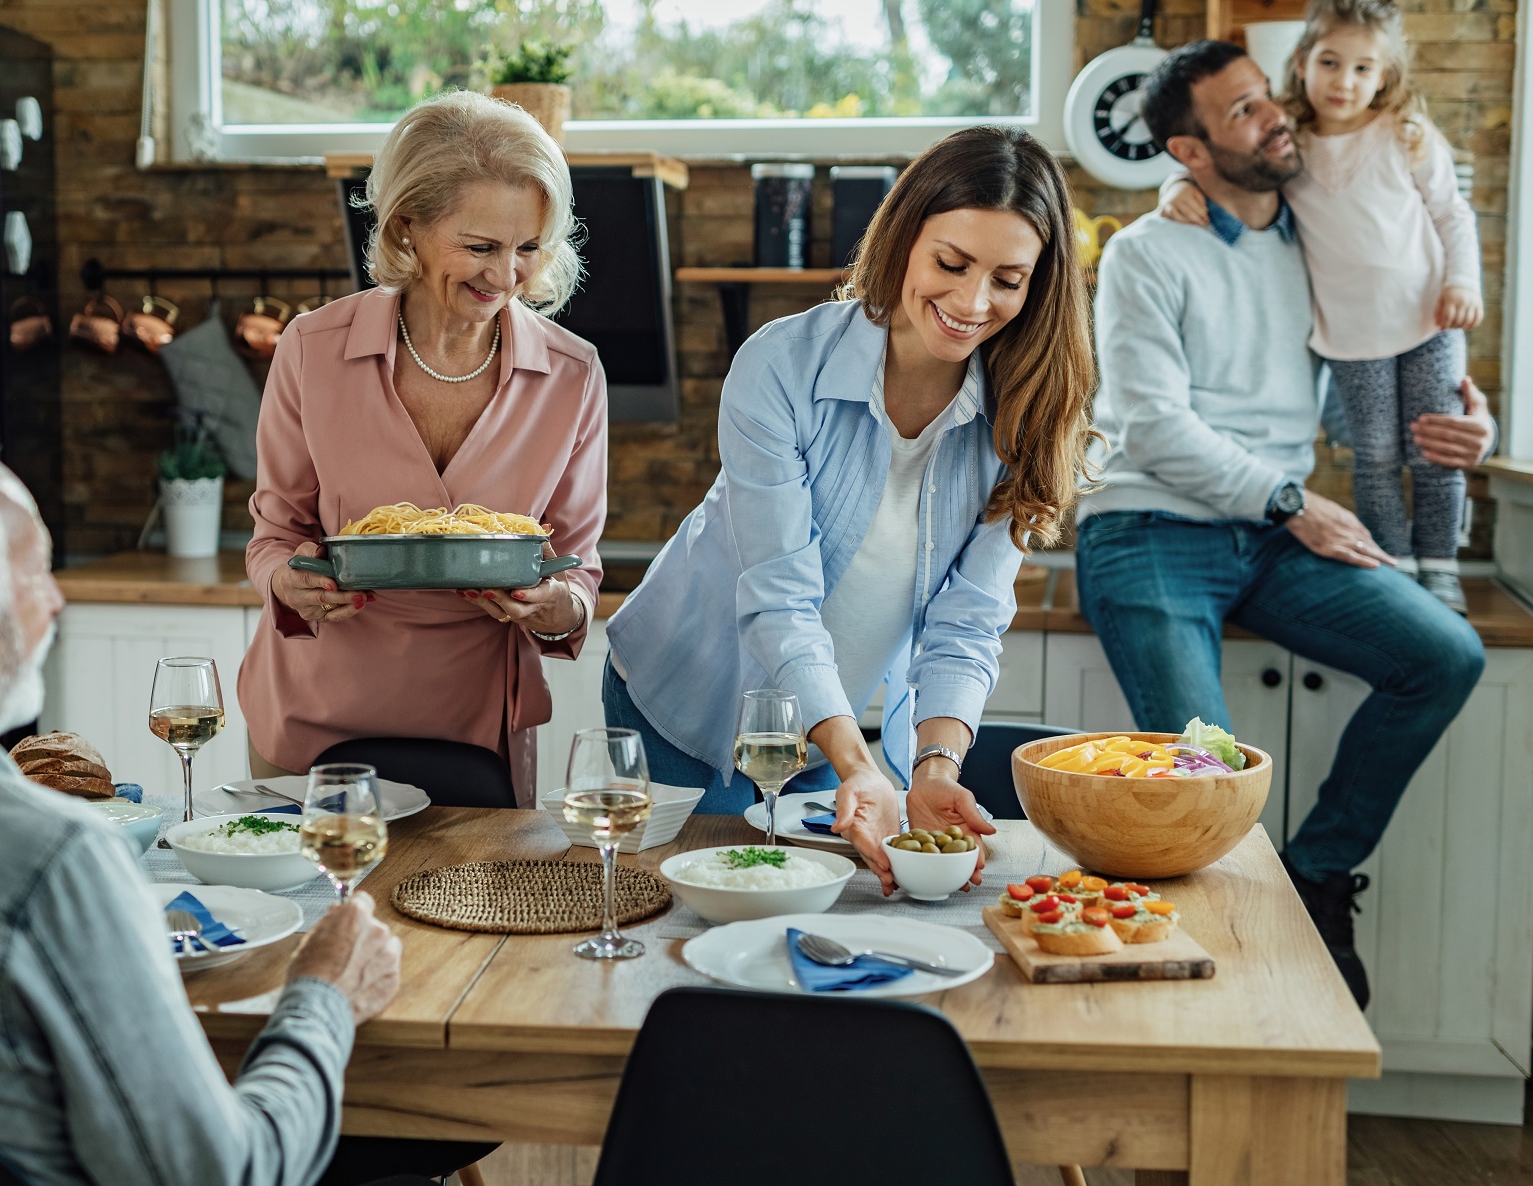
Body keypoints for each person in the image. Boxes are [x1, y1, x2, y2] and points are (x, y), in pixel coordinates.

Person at [0, 404, 430, 1186]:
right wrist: (323, 998)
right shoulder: (51, 862)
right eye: (34, 576)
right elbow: (222, 1183)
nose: (56, 602)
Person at [1080, 40, 1495, 1007]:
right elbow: (1151, 426)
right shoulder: (1146, 252)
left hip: (1276, 534)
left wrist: (1468, 426)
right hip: (1150, 529)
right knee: (1210, 790)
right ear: (1189, 154)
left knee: (1447, 655)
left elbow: (1363, 402)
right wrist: (1291, 501)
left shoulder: (1317, 242)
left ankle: (1316, 872)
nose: (1275, 118)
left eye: (1267, 99)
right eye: (1242, 114)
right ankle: (1223, 1018)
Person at [606, 126, 1098, 890]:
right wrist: (858, 763)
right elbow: (779, 599)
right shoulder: (780, 365)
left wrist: (932, 766)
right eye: (951, 263)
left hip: (820, 736)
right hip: (680, 702)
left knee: (801, 911)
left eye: (1008, 279)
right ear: (904, 239)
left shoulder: (1027, 413)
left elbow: (968, 621)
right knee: (684, 918)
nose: (973, 302)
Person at [243, 90, 607, 803]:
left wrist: (556, 607)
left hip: (476, 734)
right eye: (480, 247)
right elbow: (274, 537)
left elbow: (579, 570)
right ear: (407, 228)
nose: (506, 278)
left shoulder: (571, 374)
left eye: (528, 248)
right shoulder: (312, 350)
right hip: (311, 725)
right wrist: (289, 583)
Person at [1157, 0, 1483, 612]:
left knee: (1437, 450)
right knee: (1378, 457)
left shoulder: (1406, 134)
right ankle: (1394, 562)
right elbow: (1218, 167)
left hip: (1430, 321)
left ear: (1385, 76)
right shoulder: (1294, 147)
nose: (1344, 81)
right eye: (1330, 63)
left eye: (1364, 69)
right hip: (1353, 337)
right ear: (1302, 63)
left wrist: (1463, 284)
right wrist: (1174, 183)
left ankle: (1439, 564)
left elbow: (1453, 215)